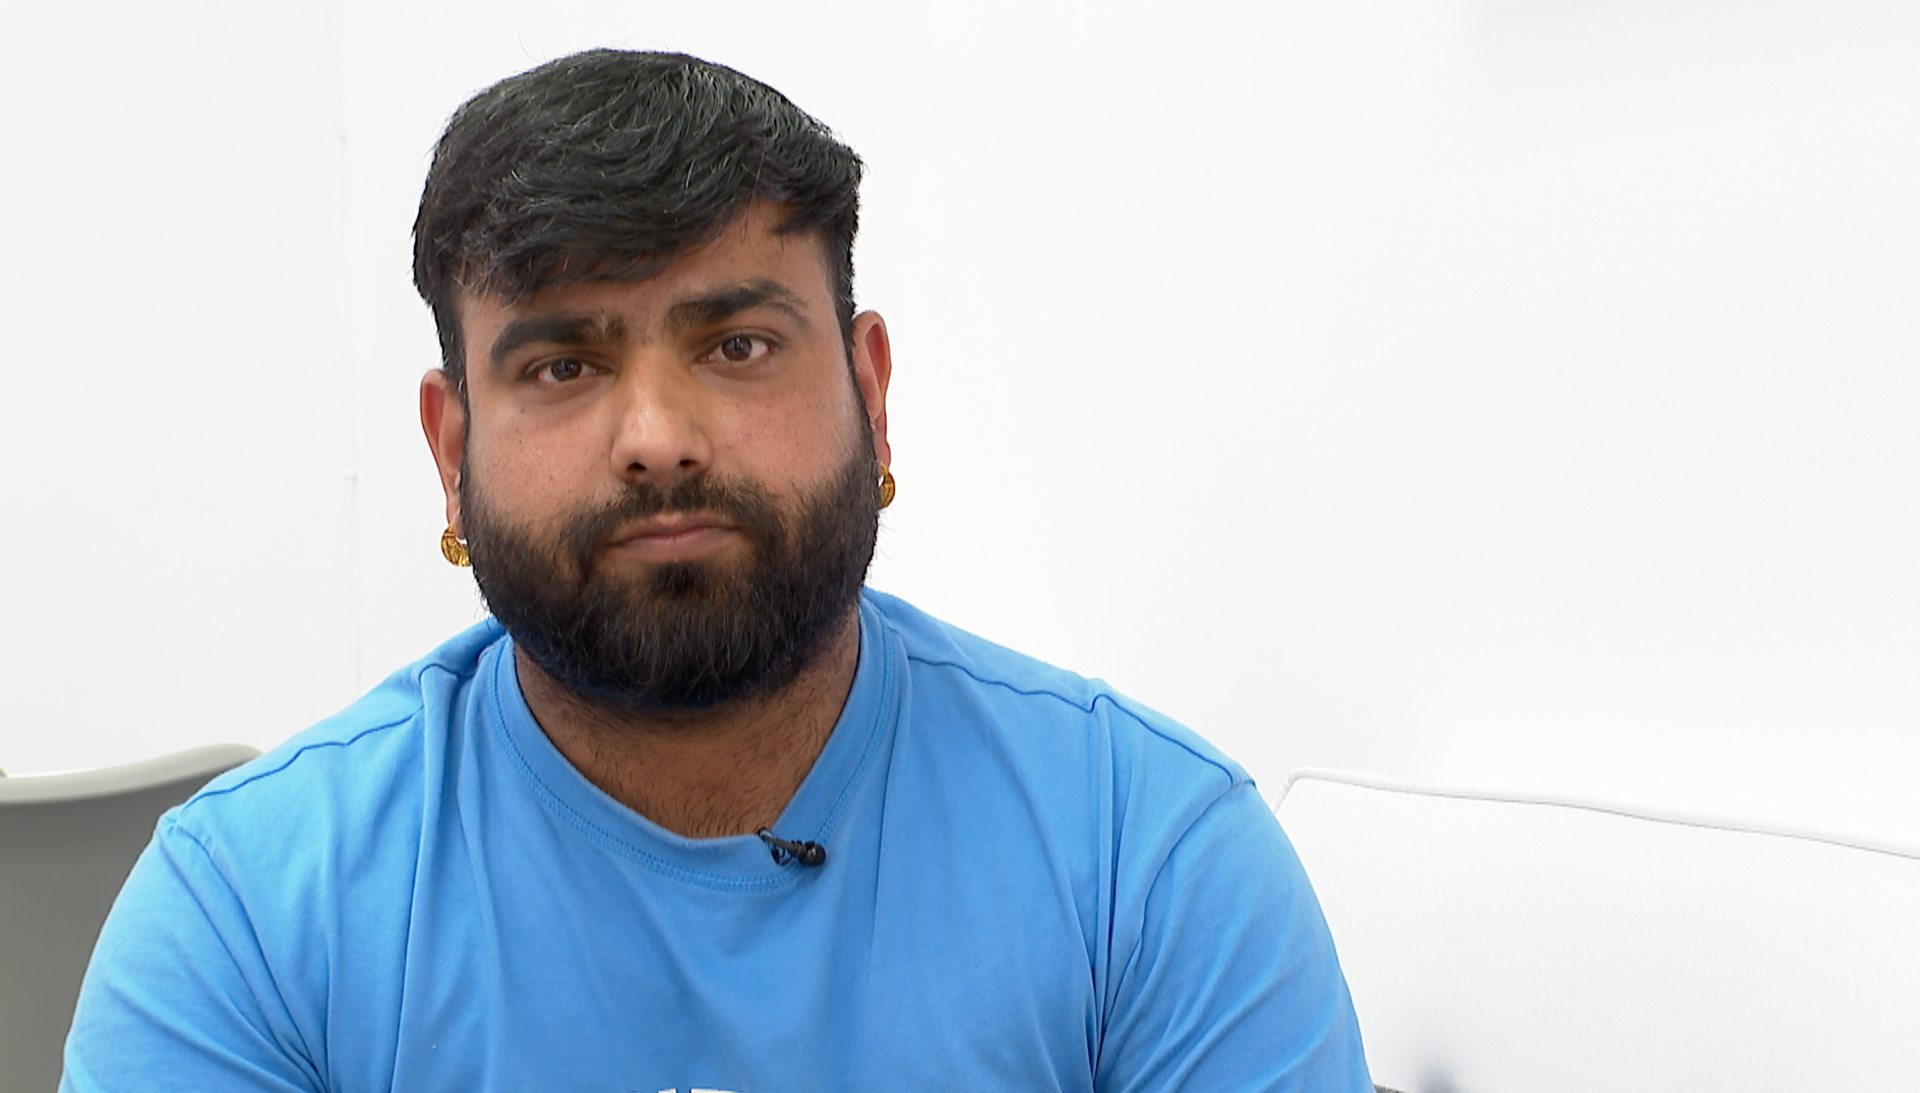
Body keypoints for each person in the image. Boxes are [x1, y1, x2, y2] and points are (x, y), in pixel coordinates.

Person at [62, 50, 1371, 1092]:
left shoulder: (1148, 858)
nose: (660, 441)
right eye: (563, 365)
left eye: (738, 346)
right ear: (451, 452)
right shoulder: (247, 916)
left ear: (869, 389)